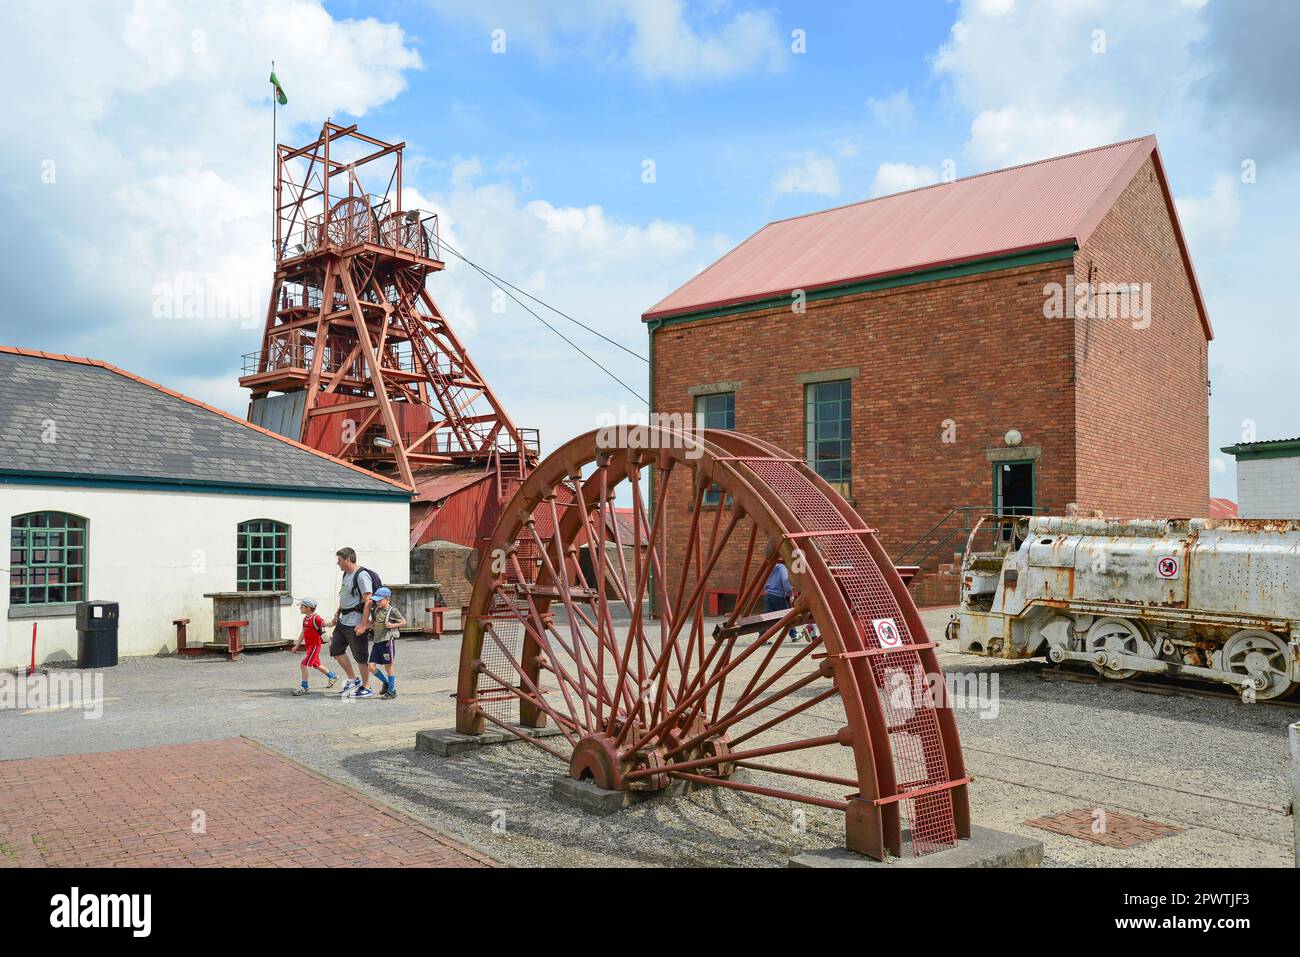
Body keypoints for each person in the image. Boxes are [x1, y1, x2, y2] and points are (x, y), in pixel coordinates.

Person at [330, 547, 376, 698]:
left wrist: (364, 625)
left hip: (356, 622)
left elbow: (368, 601)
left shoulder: (361, 576)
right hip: (343, 620)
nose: (338, 564)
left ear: (348, 560)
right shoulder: (346, 574)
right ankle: (353, 679)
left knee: (360, 656)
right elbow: (345, 596)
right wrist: (337, 613)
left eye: (340, 560)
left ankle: (366, 686)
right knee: (336, 650)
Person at [291, 598, 338, 695]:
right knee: (316, 665)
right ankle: (332, 676)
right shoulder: (305, 619)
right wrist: (297, 645)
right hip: (309, 646)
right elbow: (303, 633)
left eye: (302, 606)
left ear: (308, 608)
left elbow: (326, 624)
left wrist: (334, 622)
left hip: (315, 646)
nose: (300, 608)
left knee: (304, 664)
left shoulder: (316, 618)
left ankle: (304, 687)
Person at [367, 587, 406, 700]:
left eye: (380, 600)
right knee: (371, 667)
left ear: (387, 599)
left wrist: (392, 625)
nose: (377, 602)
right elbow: (373, 623)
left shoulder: (392, 610)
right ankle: (386, 683)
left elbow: (403, 622)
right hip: (377, 642)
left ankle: (392, 691)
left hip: (387, 642)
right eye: (376, 600)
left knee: (388, 666)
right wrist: (364, 626)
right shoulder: (376, 610)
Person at [763, 560, 800, 642]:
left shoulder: (769, 567)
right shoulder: (781, 567)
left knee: (767, 617)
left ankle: (762, 636)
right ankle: (794, 634)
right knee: (787, 616)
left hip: (768, 594)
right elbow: (785, 581)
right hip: (779, 595)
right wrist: (790, 594)